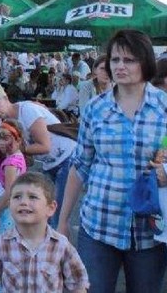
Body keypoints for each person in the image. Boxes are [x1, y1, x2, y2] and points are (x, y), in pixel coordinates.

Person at [58, 29, 167, 293]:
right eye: (115, 59)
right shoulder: (96, 108)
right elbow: (80, 166)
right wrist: (61, 221)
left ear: (146, 62)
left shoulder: (164, 106)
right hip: (98, 225)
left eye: (129, 60)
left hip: (150, 231)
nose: (120, 66)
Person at [0, 82, 76, 228]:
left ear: (5, 97)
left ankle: (58, 248)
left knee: (55, 214)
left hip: (68, 158)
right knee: (43, 211)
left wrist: (14, 149)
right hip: (50, 164)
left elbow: (44, 146)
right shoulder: (8, 121)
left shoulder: (26, 111)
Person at [0, 172, 89, 293]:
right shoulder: (0, 245)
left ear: (51, 208)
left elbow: (78, 285)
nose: (23, 202)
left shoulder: (61, 246)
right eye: (17, 197)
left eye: (32, 197)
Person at [0, 120, 27, 235]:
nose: (1, 142)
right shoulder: (18, 156)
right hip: (14, 208)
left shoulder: (10, 164)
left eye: (5, 138)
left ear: (18, 140)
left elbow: (9, 193)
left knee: (5, 243)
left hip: (8, 211)